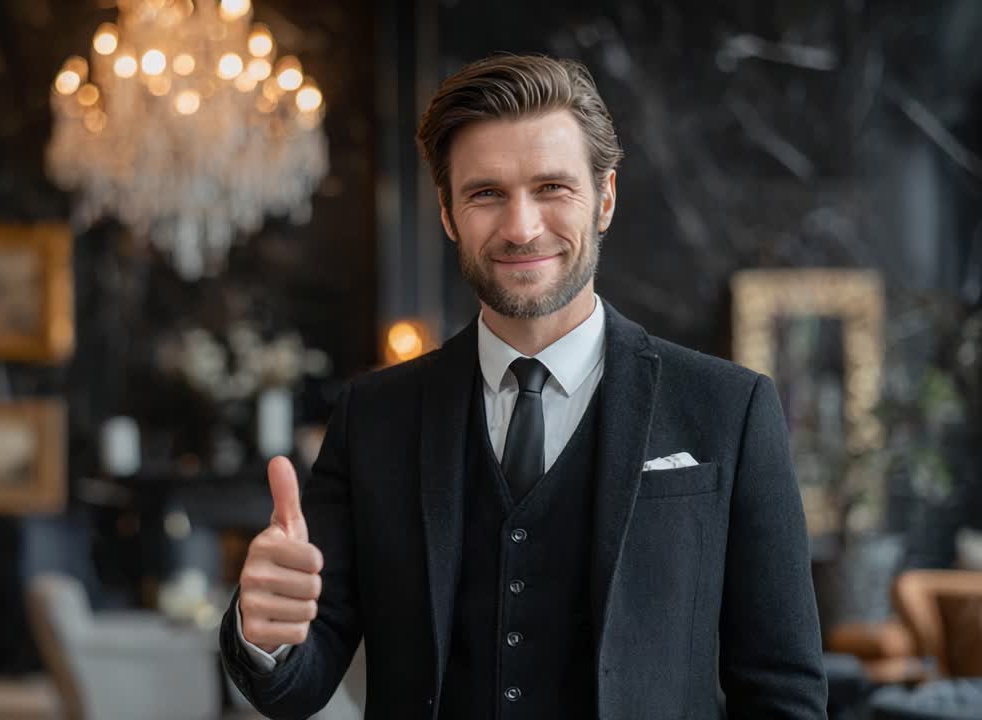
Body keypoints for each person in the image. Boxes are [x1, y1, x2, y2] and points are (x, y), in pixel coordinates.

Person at [219, 54, 827, 719]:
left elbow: (783, 692)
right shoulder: (374, 417)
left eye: (552, 188)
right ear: (448, 212)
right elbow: (300, 681)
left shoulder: (728, 410)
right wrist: (265, 633)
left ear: (606, 198)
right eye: (486, 193)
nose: (521, 227)